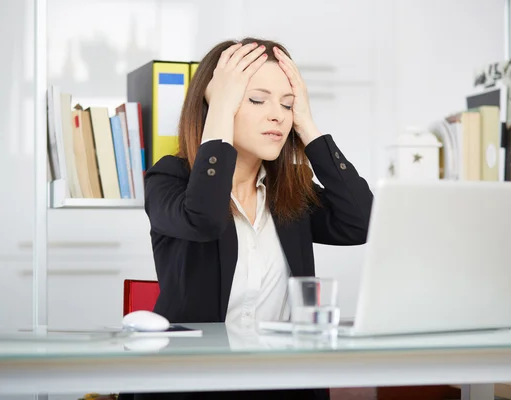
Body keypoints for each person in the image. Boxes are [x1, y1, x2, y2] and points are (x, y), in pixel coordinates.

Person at [120, 37, 374, 400]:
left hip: (281, 384)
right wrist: (219, 108)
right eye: (257, 99)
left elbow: (361, 221)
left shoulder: (290, 192)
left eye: (287, 104)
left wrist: (308, 126)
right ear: (216, 104)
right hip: (193, 387)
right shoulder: (170, 179)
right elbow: (204, 219)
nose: (278, 115)